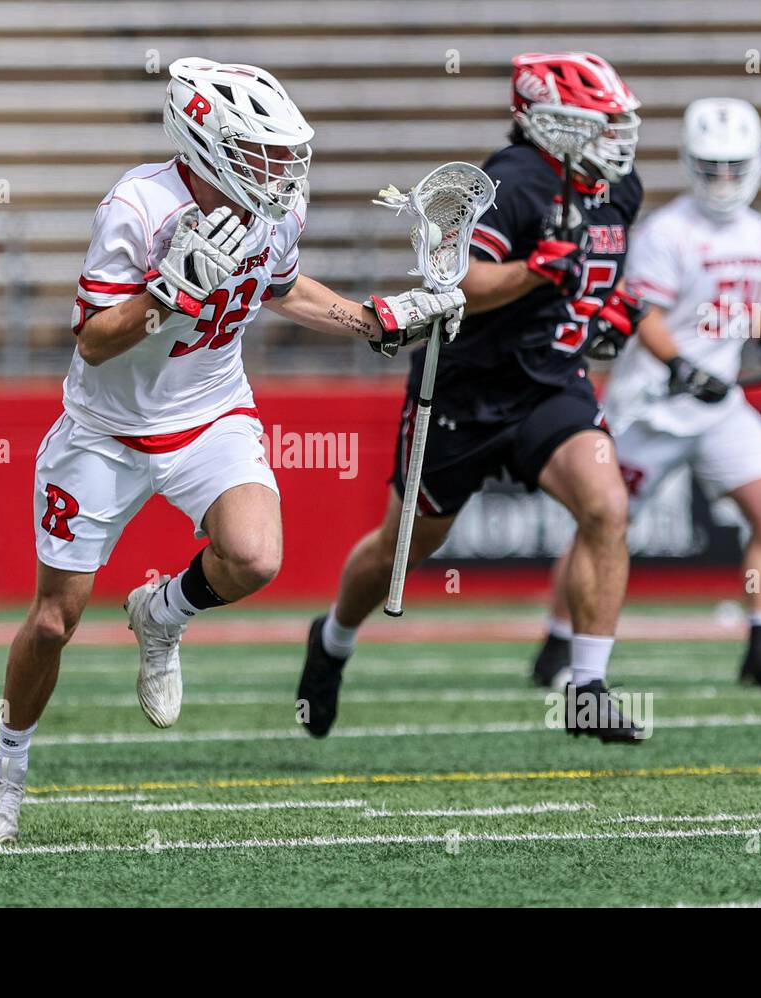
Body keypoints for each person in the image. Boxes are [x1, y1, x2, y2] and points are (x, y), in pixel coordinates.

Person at [0, 58, 465, 844]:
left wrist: (373, 319)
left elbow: (281, 286)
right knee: (55, 621)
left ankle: (163, 613)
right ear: (206, 145)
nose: (281, 169)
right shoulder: (137, 205)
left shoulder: (276, 211)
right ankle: (7, 772)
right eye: (262, 150)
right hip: (106, 429)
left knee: (257, 556)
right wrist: (167, 294)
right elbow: (94, 342)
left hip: (209, 410)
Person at [298, 52, 648, 744]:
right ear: (552, 124)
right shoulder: (510, 184)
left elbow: (602, 274)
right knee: (405, 545)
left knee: (606, 505)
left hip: (550, 382)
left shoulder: (620, 188)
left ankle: (588, 687)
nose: (617, 137)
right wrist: (533, 272)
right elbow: (459, 285)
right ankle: (333, 639)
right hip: (466, 390)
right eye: (600, 123)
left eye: (618, 122)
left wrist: (614, 309)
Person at [531, 98, 761, 692]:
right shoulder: (667, 231)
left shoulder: (756, 230)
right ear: (690, 165)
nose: (724, 180)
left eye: (735, 167)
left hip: (717, 408)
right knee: (601, 523)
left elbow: (745, 305)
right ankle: (557, 648)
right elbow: (641, 314)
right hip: (651, 407)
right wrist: (682, 366)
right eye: (712, 168)